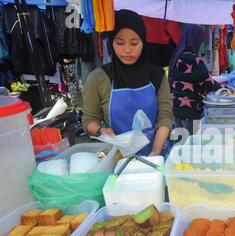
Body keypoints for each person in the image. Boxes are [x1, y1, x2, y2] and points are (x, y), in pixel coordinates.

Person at [82, 9, 173, 156]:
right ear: (112, 42)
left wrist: (155, 153)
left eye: (134, 43)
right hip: (117, 157)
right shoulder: (98, 78)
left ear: (143, 42)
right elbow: (89, 119)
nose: (127, 50)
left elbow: (165, 118)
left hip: (155, 154)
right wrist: (101, 130)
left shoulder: (157, 75)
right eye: (120, 43)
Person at [169, 25, 222, 135]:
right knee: (189, 143)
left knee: (178, 143)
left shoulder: (177, 55)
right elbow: (207, 83)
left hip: (177, 107)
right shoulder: (193, 60)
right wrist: (224, 90)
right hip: (190, 110)